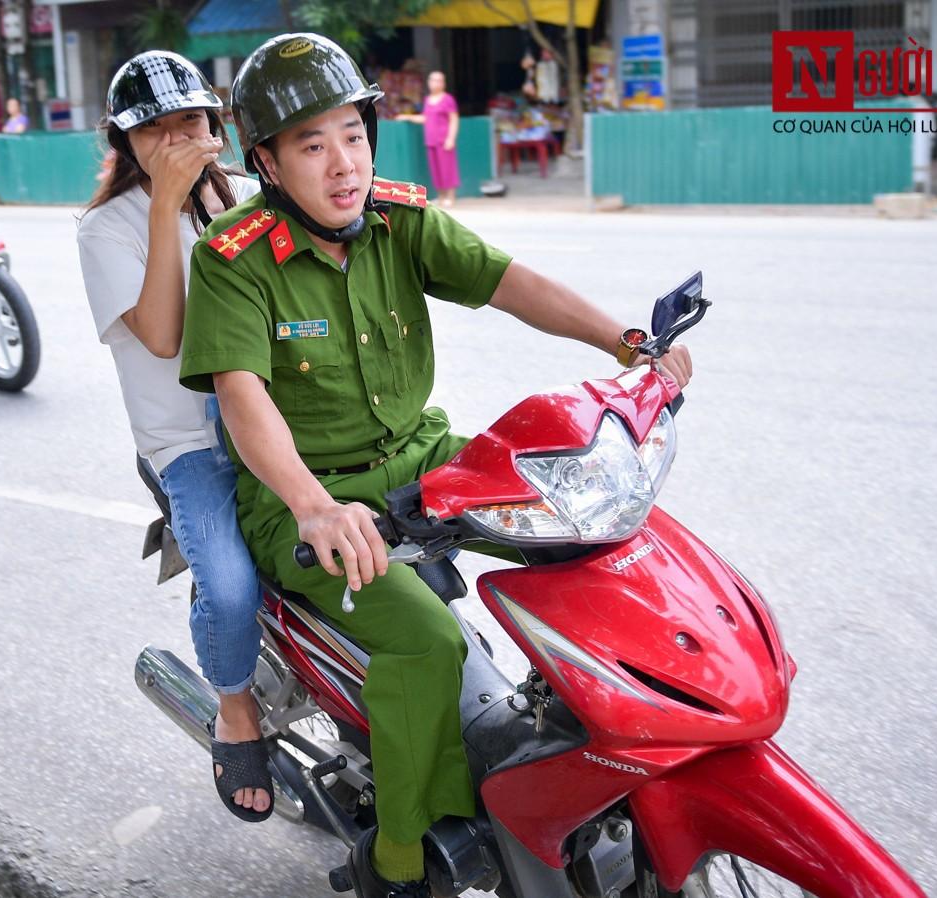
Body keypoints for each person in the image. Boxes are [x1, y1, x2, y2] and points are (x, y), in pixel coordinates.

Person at [178, 33, 691, 898]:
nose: (343, 165)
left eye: (353, 135)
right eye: (311, 144)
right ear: (265, 160)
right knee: (426, 639)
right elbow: (243, 399)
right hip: (308, 495)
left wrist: (626, 342)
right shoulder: (232, 258)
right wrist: (311, 505)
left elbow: (507, 281)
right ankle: (402, 859)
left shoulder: (397, 217)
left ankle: (610, 732)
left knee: (594, 522)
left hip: (423, 456)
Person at [76, 52, 272, 822]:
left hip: (274, 419)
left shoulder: (252, 198)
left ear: (215, 125)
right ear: (125, 143)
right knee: (227, 589)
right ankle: (234, 708)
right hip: (189, 445)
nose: (176, 137)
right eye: (153, 128)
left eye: (189, 120)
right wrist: (165, 204)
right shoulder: (105, 228)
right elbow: (160, 335)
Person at [399, 71, 459, 207]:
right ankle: (441, 196)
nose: (434, 83)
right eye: (432, 80)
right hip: (431, 140)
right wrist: (408, 117)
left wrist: (451, 138)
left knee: (447, 169)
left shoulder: (447, 99)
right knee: (436, 169)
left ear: (443, 83)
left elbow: (454, 120)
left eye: (438, 80)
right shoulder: (427, 100)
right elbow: (425, 118)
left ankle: (450, 197)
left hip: (444, 140)